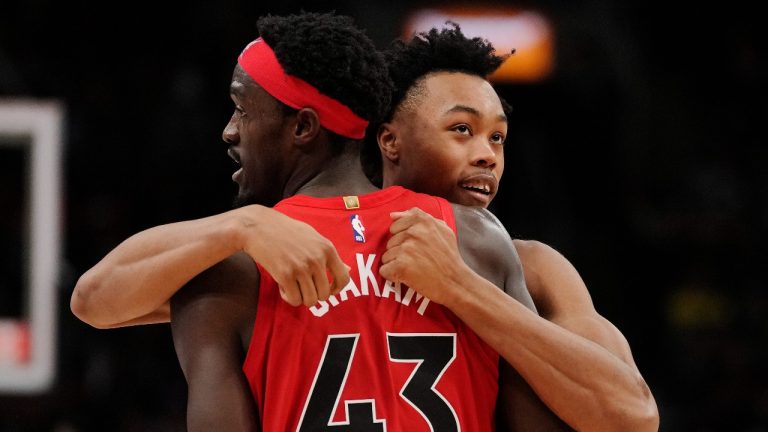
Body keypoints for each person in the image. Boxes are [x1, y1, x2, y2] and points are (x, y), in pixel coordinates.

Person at [73, 12, 547, 431]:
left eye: (242, 109)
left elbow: (92, 300)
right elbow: (542, 415)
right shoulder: (477, 238)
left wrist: (240, 228)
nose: (230, 130)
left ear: (301, 127)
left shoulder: (231, 271)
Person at [369, 24, 659, 431]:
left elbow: (633, 417)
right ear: (390, 141)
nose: (487, 155)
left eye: (497, 137)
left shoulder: (536, 269)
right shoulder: (322, 241)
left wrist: (459, 286)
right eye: (462, 129)